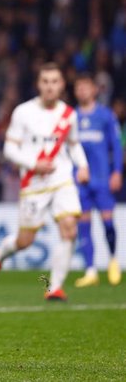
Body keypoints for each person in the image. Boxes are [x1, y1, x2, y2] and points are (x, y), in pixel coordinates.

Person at [0, 63, 89, 301]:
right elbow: (9, 149)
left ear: (62, 85)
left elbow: (73, 144)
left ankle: (55, 287)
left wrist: (82, 166)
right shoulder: (23, 112)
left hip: (62, 179)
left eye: (55, 82)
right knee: (25, 241)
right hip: (34, 183)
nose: (50, 86)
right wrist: (33, 164)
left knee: (69, 228)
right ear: (38, 84)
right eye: (46, 81)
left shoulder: (68, 115)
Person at [73, 73, 123, 287]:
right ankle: (90, 270)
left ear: (94, 90)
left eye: (86, 87)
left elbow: (117, 145)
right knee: (83, 224)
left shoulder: (106, 115)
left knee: (107, 222)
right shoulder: (71, 117)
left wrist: (117, 172)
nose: (82, 91)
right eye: (79, 87)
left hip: (102, 178)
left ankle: (113, 260)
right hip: (80, 181)